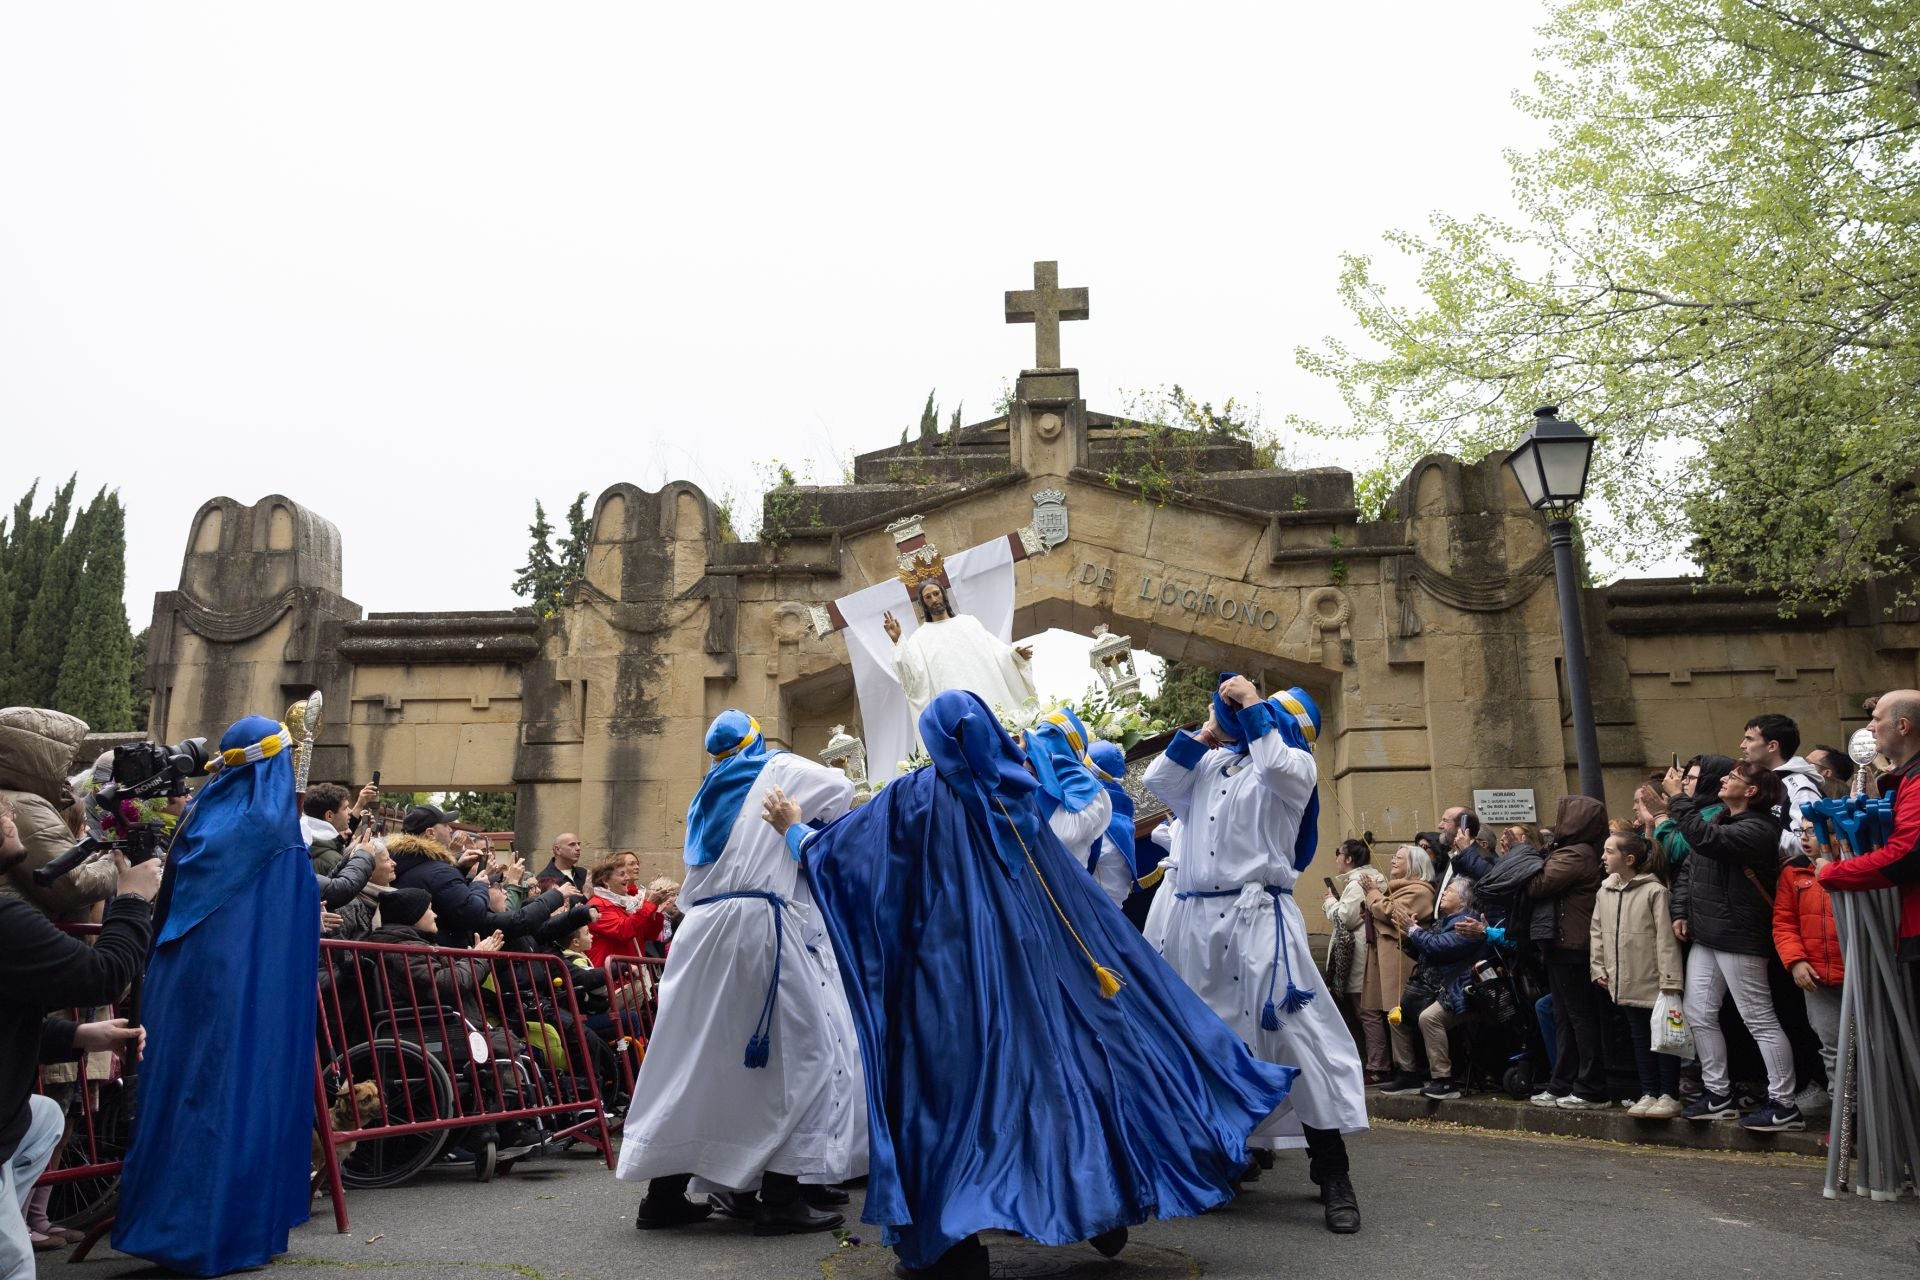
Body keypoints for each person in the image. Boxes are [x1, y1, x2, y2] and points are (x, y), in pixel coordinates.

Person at [782, 691, 1297, 1277]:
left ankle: (953, 1242)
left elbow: (840, 861)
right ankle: (1100, 1200)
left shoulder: (914, 798)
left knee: (951, 1100)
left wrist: (793, 832)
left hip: (948, 984)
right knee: (1061, 1074)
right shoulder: (1018, 792)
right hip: (1036, 970)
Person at [618, 710, 866, 1236]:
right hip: (755, 922)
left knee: (695, 1062)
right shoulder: (777, 767)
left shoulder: (705, 790)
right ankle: (781, 1196)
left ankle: (661, 1197)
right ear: (757, 741)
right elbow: (842, 784)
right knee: (805, 1053)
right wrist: (798, 817)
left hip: (698, 928)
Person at [1143, 675, 1368, 1234]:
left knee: (1293, 1039)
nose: (1242, 719)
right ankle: (1223, 1157)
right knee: (1205, 1044)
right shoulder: (1211, 767)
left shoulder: (1293, 767)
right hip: (1195, 921)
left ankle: (1332, 1168)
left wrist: (1253, 707)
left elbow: (1276, 767)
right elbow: (1157, 779)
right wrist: (1210, 729)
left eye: (1254, 713)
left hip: (1257, 915)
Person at [113, 715, 322, 1275]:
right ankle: (224, 1232)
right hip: (251, 992)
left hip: (184, 981)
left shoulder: (201, 818)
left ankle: (172, 1225)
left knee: (188, 1091)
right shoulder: (275, 831)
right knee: (237, 1093)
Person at [1, 796, 156, 1280]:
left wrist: (80, 1034)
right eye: (1, 811)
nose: (11, 816)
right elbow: (103, 975)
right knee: (14, 1266)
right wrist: (131, 900)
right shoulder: (6, 922)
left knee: (43, 1117)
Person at [1659, 761, 1801, 1130]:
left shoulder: (1758, 829)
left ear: (1751, 791)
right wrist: (1681, 910)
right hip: (1709, 933)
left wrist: (1677, 798)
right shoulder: (1721, 819)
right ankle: (1718, 1093)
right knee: (1699, 1013)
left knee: (1759, 1018)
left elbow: (1704, 840)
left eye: (1733, 777)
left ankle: (1784, 1103)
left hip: (1739, 934)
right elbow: (1692, 865)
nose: (1723, 779)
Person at [1819, 690, 1920, 965]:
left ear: (1902, 726)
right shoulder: (1903, 779)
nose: (1869, 728)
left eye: (1876, 719)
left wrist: (1832, 873)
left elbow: (1906, 854)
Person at [1591, 832, 1685, 1119]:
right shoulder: (1604, 891)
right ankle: (1648, 1091)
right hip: (1623, 977)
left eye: (1609, 852)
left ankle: (1669, 1093)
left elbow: (1665, 940)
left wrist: (1670, 979)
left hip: (1653, 979)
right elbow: (1597, 932)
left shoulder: (1655, 891)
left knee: (1664, 1037)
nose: (1603, 857)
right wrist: (1598, 967)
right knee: (1639, 1036)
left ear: (1628, 859)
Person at [1524, 795, 1609, 1110]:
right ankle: (1563, 1083)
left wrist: (1529, 860)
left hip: (1573, 944)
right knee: (1563, 1016)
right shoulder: (1569, 852)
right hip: (1560, 944)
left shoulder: (1576, 854)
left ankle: (1591, 1087)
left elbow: (1537, 885)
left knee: (1579, 1016)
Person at [389, 804, 569, 950]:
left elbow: (439, 893)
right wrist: (479, 885)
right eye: (445, 825)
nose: (450, 828)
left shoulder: (403, 863)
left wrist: (458, 868)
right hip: (444, 955)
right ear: (430, 833)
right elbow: (473, 913)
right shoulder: (439, 871)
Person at [0, 707, 117, 918]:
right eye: (65, 761)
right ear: (36, 759)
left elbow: (50, 868)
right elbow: (71, 887)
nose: (68, 772)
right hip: (33, 942)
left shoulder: (11, 798)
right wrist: (118, 864)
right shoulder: (26, 806)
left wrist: (96, 861)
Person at [882, 579, 1036, 730]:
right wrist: (898, 642)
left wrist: (1015, 656)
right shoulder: (919, 638)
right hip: (957, 707)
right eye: (928, 597)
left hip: (988, 692)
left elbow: (996, 653)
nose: (934, 599)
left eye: (936, 593)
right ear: (923, 604)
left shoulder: (969, 623)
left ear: (943, 595)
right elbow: (913, 678)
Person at [1393, 878, 1488, 1100]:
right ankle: (1408, 1075)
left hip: (1461, 991)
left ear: (1463, 902)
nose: (1443, 892)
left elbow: (1439, 947)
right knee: (1396, 1016)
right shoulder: (1444, 921)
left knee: (1429, 1018)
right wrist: (1409, 938)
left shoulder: (1467, 924)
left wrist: (1413, 929)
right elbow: (1427, 953)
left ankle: (1444, 1081)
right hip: (1436, 990)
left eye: (1450, 890)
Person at [1775, 824, 1844, 1096]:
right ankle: (1844, 1120)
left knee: (1870, 1046)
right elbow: (1784, 922)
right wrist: (1796, 961)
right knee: (1832, 1048)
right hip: (1818, 978)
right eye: (1800, 830)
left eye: (1812, 831)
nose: (1803, 838)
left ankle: (1871, 1122)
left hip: (1857, 976)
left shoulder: (1854, 869)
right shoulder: (1794, 872)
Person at [1024, 709, 1119, 906]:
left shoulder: (1089, 789)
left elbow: (1061, 834)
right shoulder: (1029, 777)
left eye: (1051, 734)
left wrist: (1036, 774)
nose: (1042, 739)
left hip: (1072, 898)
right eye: (1039, 731)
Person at [1363, 845, 1437, 1094]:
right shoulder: (1396, 889)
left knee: (1403, 1013)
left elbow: (1390, 913)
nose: (1393, 861)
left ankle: (1412, 1071)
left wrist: (1372, 894)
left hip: (1403, 959)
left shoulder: (1420, 891)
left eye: (1399, 858)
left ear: (1415, 865)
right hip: (1387, 957)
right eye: (1393, 857)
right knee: (1394, 1015)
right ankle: (1405, 1069)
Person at [1322, 839, 1389, 1082]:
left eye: (1338, 853)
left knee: (1366, 1011)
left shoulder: (1356, 884)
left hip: (1360, 954)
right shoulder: (1375, 878)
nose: (1337, 858)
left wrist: (1330, 902)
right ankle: (1373, 1063)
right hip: (1370, 951)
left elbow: (1345, 919)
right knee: (1367, 1011)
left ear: (1349, 859)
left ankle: (1377, 1067)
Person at [1740, 713, 1824, 859]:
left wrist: (1760, 835)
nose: (1742, 745)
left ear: (1772, 746)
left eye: (1749, 739)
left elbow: (1812, 841)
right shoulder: (1764, 780)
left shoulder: (1800, 787)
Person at [584, 852, 668, 967]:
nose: (627, 878)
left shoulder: (626, 902)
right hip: (611, 976)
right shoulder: (596, 905)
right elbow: (623, 930)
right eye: (622, 874)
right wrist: (648, 904)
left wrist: (655, 910)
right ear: (605, 880)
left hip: (632, 972)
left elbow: (649, 935)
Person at [301, 782, 353, 875]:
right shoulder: (333, 860)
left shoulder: (301, 842)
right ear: (329, 815)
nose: (350, 812)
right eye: (345, 808)